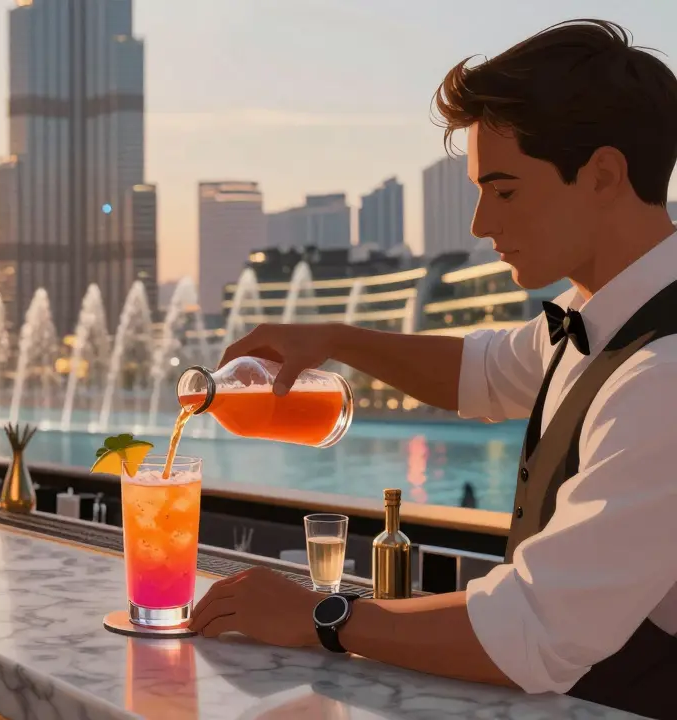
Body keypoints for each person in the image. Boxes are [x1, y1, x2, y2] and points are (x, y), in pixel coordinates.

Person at [190, 19, 677, 719]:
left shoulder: (663, 375)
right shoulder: (600, 314)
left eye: (504, 191)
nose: (480, 223)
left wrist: (322, 615)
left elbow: (534, 629)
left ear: (603, 175)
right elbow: (481, 372)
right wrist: (332, 337)